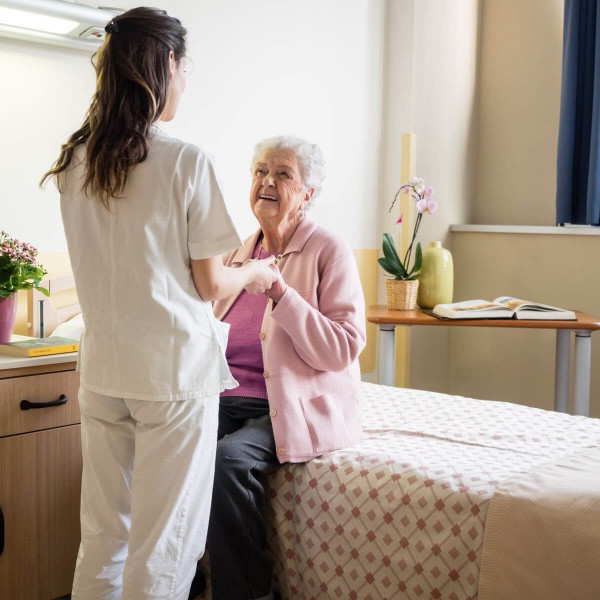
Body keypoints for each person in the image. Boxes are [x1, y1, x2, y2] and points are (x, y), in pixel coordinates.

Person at [40, 8, 275, 600]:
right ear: (166, 64)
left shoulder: (75, 160)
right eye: (185, 67)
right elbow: (209, 285)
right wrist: (255, 271)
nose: (187, 81)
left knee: (103, 537)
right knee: (165, 544)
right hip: (170, 377)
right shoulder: (185, 161)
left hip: (104, 373)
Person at [190, 135, 366, 600]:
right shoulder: (234, 254)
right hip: (226, 395)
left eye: (283, 174)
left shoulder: (329, 250)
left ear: (308, 193)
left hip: (291, 405)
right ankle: (179, 581)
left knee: (227, 460)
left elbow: (344, 346)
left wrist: (281, 295)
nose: (266, 181)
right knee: (173, 446)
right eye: (260, 172)